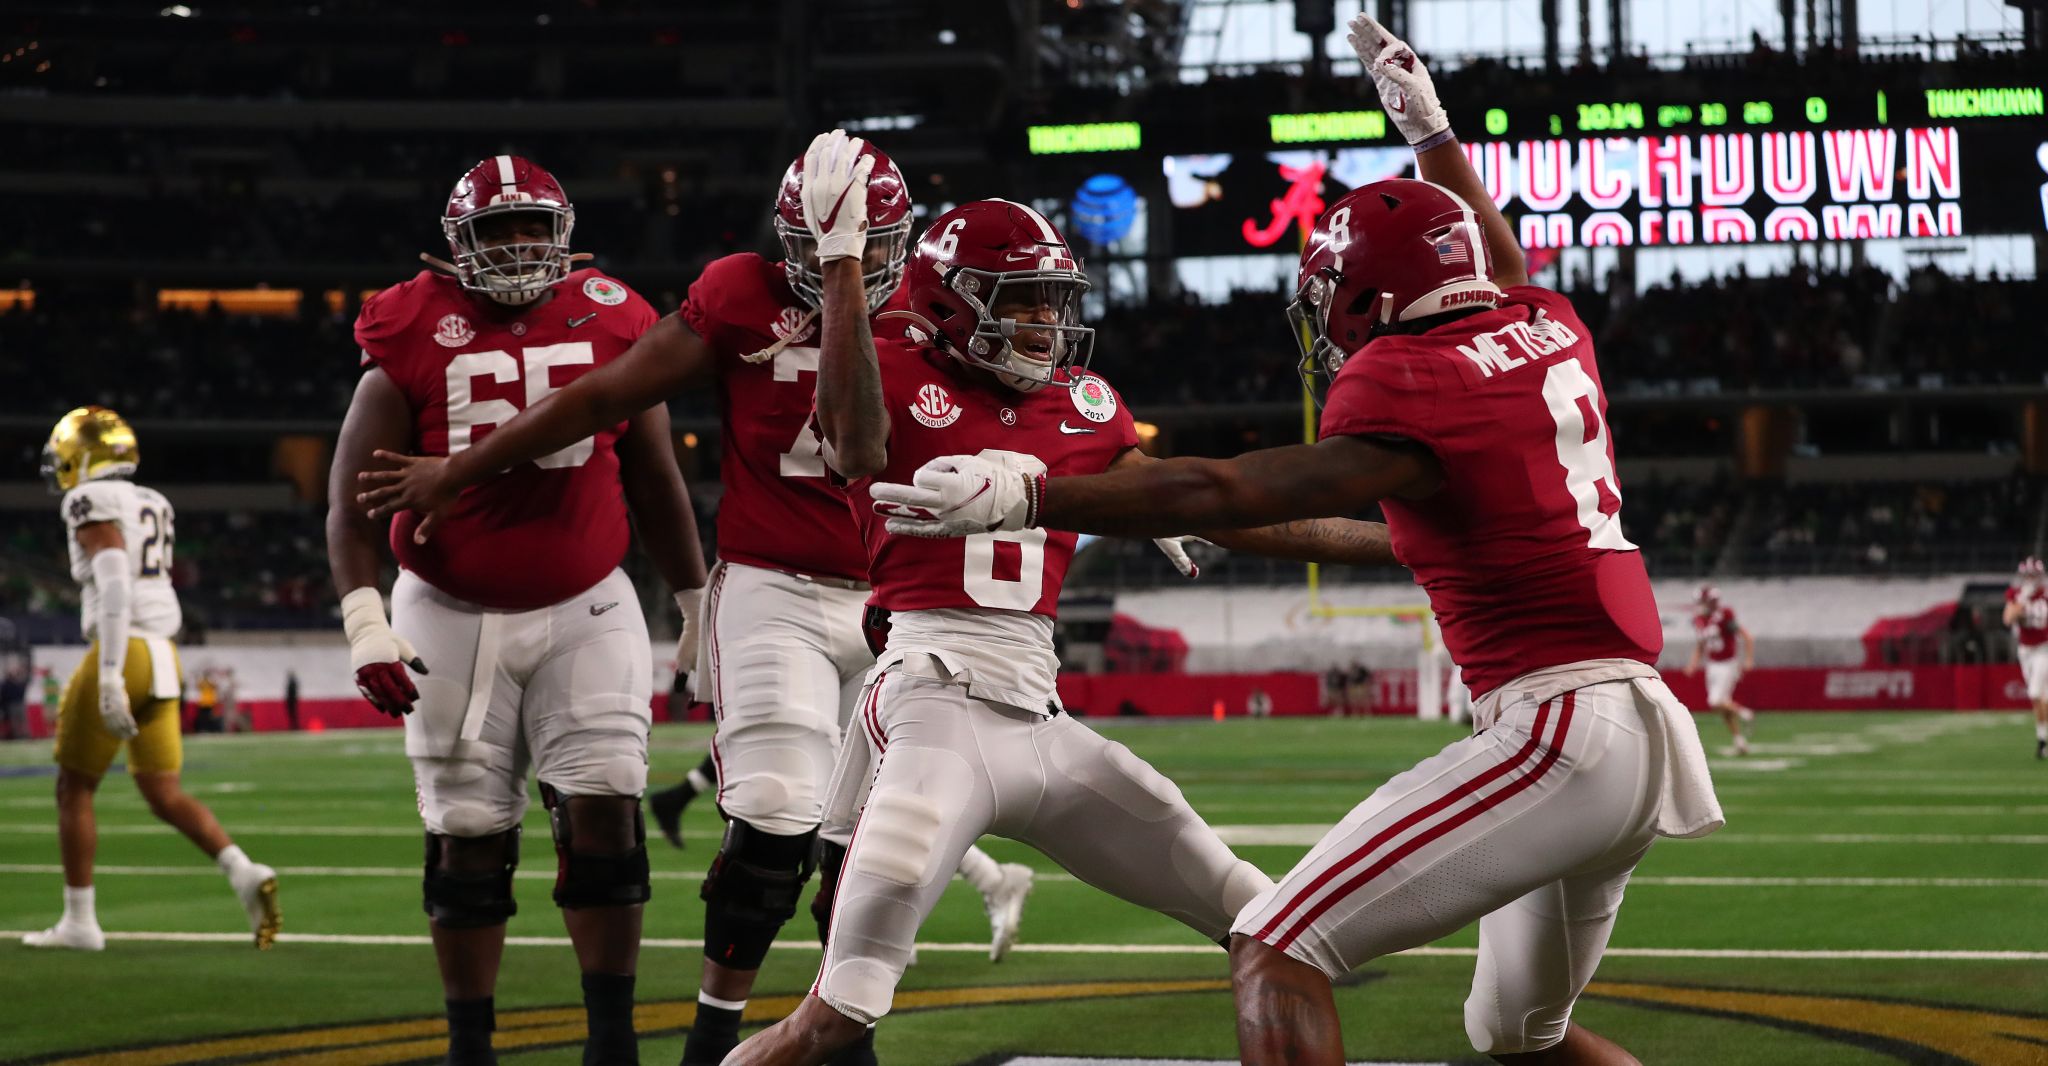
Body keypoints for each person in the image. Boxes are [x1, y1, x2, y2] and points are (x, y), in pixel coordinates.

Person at [867, 17, 1724, 1063]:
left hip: (1557, 731)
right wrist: (1430, 137)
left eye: (1332, 295)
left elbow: (1226, 485)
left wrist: (1032, 493)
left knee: (1275, 945)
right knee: (1519, 1034)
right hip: (1634, 722)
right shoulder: (1549, 321)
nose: (1326, 319)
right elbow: (1489, 260)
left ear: (1370, 293)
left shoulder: (1409, 373)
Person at [352, 139, 1032, 1066]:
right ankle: (709, 1036)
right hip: (773, 581)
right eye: (831, 243)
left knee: (872, 848)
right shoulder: (741, 292)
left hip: (892, 595)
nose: (858, 262)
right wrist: (463, 473)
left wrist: (1119, 470)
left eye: (873, 246)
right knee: (771, 819)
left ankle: (841, 1032)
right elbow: (604, 402)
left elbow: (1008, 410)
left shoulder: (934, 306)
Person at [725, 134, 1399, 1065]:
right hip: (933, 700)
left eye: (1054, 299)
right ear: (948, 304)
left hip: (1044, 721)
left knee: (1269, 922)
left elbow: (1230, 512)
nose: (1046, 322)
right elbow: (853, 443)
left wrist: (1408, 545)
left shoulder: (1082, 403)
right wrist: (842, 267)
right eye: (1022, 300)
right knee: (839, 1012)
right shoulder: (884, 362)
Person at [326, 156, 708, 1066]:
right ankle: (471, 1048)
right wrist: (363, 620)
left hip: (589, 604)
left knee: (608, 818)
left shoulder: (614, 316)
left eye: (534, 228)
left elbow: (656, 481)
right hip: (448, 609)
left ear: (565, 232)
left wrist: (695, 600)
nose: (520, 247)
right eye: (499, 231)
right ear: (458, 244)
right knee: (465, 836)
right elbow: (350, 503)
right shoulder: (411, 325)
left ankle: (611, 1044)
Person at [25, 406, 282, 952]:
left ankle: (79, 921)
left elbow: (115, 580)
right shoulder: (152, 501)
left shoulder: (88, 499)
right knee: (162, 792)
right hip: (165, 656)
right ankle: (240, 868)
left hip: (126, 649)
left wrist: (112, 672)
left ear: (83, 457)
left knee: (74, 787)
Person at [1684, 584, 1755, 755]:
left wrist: (1748, 659)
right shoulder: (1700, 620)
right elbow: (1701, 645)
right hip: (1712, 665)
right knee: (1723, 706)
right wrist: (1693, 663)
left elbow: (1746, 635)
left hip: (1727, 664)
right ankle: (1739, 741)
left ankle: (1745, 713)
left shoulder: (1724, 615)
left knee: (1715, 702)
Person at [2002, 556, 2048, 759]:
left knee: (2035, 692)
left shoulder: (2046, 594)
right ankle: (2043, 741)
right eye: (2027, 575)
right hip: (2025, 651)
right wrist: (2022, 600)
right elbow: (2008, 619)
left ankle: (2042, 741)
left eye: (2033, 575)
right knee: (2041, 698)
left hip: (2044, 648)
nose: (2029, 578)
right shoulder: (2017, 594)